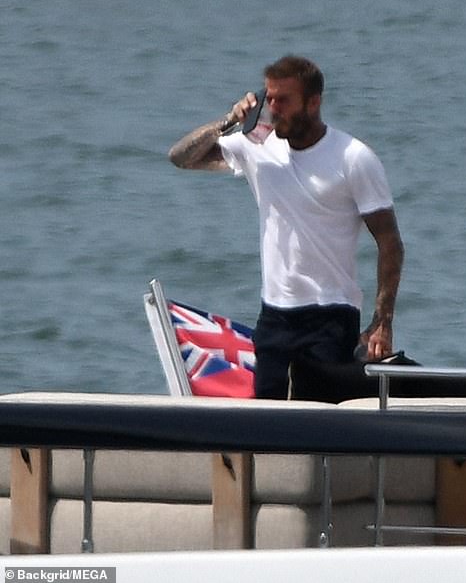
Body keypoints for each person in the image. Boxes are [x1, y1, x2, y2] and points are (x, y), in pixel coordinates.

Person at [169, 55, 404, 399]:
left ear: (313, 102)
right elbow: (181, 157)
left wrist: (382, 322)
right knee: (269, 423)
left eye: (284, 100)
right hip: (275, 316)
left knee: (319, 421)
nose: (274, 108)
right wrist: (228, 120)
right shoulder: (256, 147)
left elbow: (389, 242)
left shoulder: (353, 157)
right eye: (270, 98)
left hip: (331, 314)